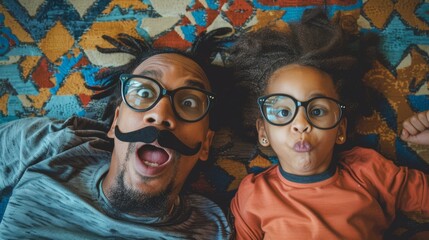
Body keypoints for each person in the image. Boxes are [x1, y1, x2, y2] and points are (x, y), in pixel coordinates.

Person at [0, 29, 233, 239]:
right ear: (115, 122)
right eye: (143, 92)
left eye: (189, 102)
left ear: (205, 144)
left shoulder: (214, 230)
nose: (161, 115)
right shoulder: (50, 143)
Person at [229, 8, 429, 239]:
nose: (301, 124)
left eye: (317, 110)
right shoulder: (252, 195)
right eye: (283, 111)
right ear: (263, 131)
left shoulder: (371, 173)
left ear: (340, 129)